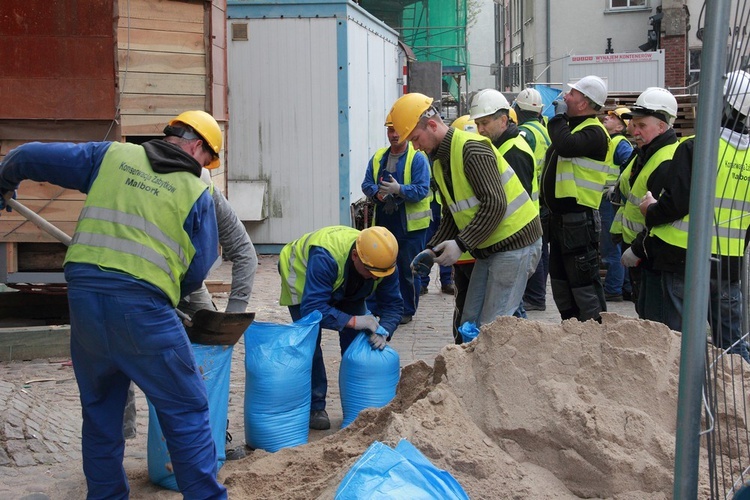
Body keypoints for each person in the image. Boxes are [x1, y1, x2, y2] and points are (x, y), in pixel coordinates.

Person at [0, 110, 227, 498]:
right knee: (186, 408)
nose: (204, 168)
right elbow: (196, 271)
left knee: (101, 413)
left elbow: (28, 156)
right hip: (143, 311)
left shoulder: (110, 156)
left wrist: (4, 180)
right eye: (207, 161)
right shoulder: (196, 193)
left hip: (86, 305)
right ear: (196, 147)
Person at [123, 167, 258, 443]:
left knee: (210, 348)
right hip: (141, 280)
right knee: (123, 352)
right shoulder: (148, 198)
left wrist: (231, 317)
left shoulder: (210, 194)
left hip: (189, 281)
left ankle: (215, 432)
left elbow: (245, 253)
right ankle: (121, 437)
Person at [389, 93, 542, 328]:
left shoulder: (471, 149)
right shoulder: (440, 161)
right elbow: (453, 212)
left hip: (517, 243)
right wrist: (433, 249)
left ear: (432, 125)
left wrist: (460, 244)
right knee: (469, 320)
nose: (416, 147)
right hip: (491, 246)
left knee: (493, 326)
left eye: (416, 138)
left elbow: (495, 204)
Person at [638, 70, 750, 361]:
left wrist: (650, 210)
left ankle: (685, 403)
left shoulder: (698, 147)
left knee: (680, 345)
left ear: (722, 104)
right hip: (729, 266)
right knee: (733, 347)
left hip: (685, 261)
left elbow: (676, 203)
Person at [278, 225, 403, 431]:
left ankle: (358, 406)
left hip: (346, 283)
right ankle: (315, 406)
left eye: (378, 275)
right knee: (310, 343)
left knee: (357, 345)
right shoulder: (325, 257)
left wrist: (386, 329)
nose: (374, 277)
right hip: (302, 279)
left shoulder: (382, 263)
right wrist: (354, 320)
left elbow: (394, 305)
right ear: (355, 255)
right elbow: (313, 308)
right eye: (370, 272)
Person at [541, 75, 610, 323]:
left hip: (579, 221)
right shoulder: (575, 128)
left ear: (583, 103)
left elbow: (566, 145)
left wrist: (558, 118)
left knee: (583, 284)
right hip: (561, 221)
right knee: (561, 282)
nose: (565, 96)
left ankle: (594, 333)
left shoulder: (594, 132)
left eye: (572, 93)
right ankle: (570, 329)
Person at [469, 89, 538, 319]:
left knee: (506, 314)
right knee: (510, 310)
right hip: (510, 241)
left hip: (516, 241)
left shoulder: (513, 152)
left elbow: (513, 204)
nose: (480, 130)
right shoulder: (503, 146)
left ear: (503, 120)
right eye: (478, 124)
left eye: (485, 123)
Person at [615, 87, 680, 323]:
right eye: (634, 125)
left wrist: (638, 248)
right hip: (643, 255)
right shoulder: (646, 153)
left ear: (662, 126)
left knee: (656, 324)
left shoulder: (667, 159)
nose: (635, 131)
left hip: (653, 257)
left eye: (642, 125)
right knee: (646, 318)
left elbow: (663, 215)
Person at [362, 115, 431, 324]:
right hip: (385, 223)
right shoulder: (378, 158)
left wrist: (399, 190)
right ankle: (378, 308)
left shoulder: (417, 158)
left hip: (411, 227)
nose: (394, 135)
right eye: (390, 130)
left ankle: (406, 310)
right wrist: (378, 194)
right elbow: (366, 184)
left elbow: (422, 189)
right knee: (379, 266)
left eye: (398, 130)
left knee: (408, 270)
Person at [514, 88, 552, 312]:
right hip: (542, 198)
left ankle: (535, 296)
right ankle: (538, 295)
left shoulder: (524, 134)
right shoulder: (543, 130)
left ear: (518, 109)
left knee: (532, 247)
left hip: (530, 198)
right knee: (541, 248)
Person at [599, 107, 635, 302]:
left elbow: (631, 167)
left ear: (621, 126)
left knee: (611, 245)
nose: (607, 117)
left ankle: (613, 288)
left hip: (610, 202)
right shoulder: (613, 141)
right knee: (615, 244)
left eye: (612, 117)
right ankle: (625, 286)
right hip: (609, 201)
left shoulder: (620, 143)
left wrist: (619, 186)